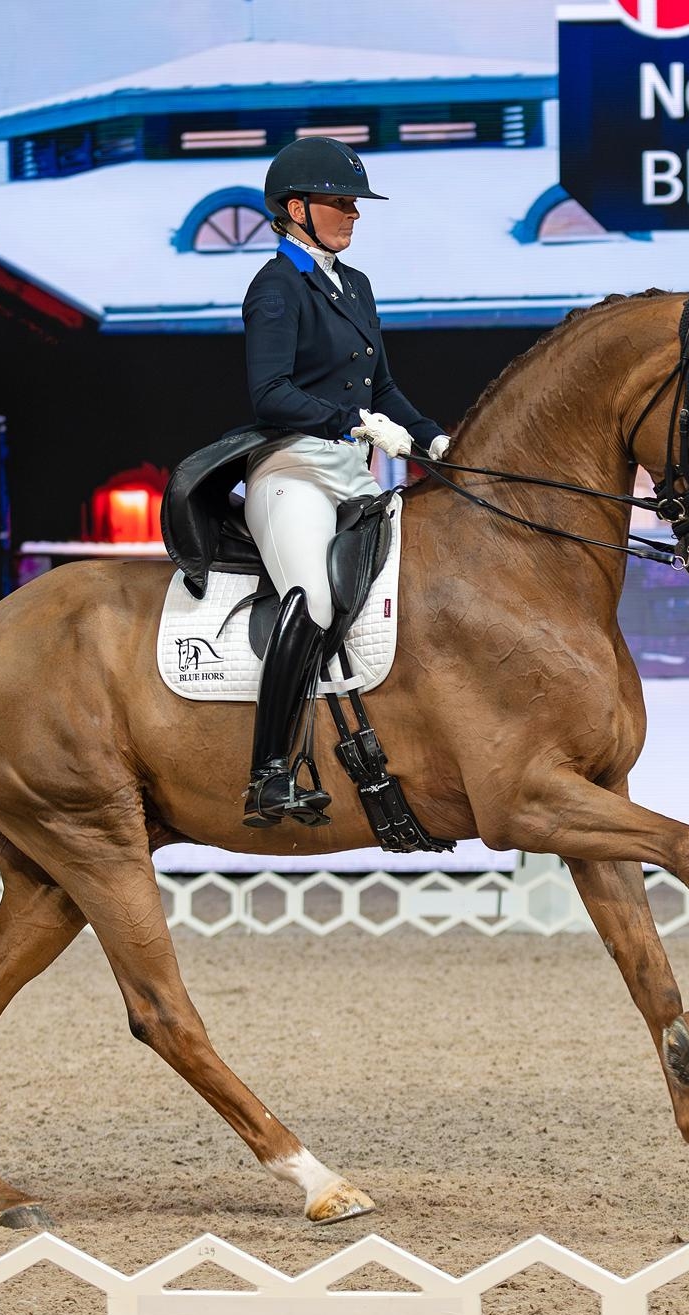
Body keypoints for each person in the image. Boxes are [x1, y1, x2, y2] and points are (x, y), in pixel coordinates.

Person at [239, 136, 449, 828]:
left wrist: (433, 436)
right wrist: (353, 421)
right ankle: (269, 771)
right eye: (339, 202)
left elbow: (384, 386)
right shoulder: (275, 287)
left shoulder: (353, 286)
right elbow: (269, 393)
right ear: (295, 208)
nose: (353, 213)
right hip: (292, 470)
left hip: (350, 473)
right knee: (316, 600)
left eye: (353, 203)